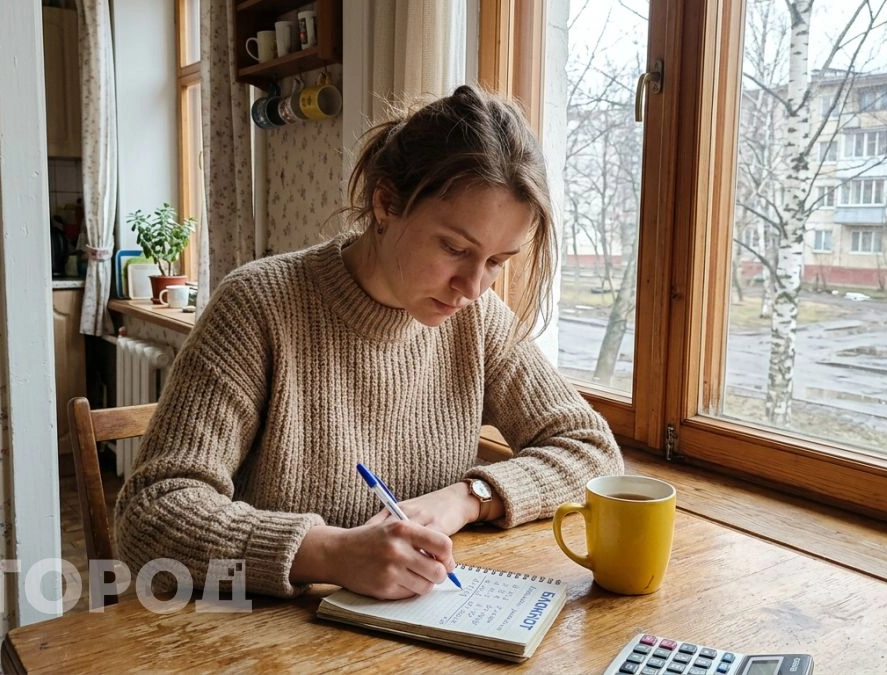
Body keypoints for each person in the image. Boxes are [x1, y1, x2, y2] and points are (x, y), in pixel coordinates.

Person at [114, 84, 623, 602]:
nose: (472, 288)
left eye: (497, 262)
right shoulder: (258, 305)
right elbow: (153, 511)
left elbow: (592, 449)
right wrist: (330, 552)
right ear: (385, 204)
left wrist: (469, 497)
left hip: (418, 630)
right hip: (265, 638)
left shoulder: (478, 320)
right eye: (454, 248)